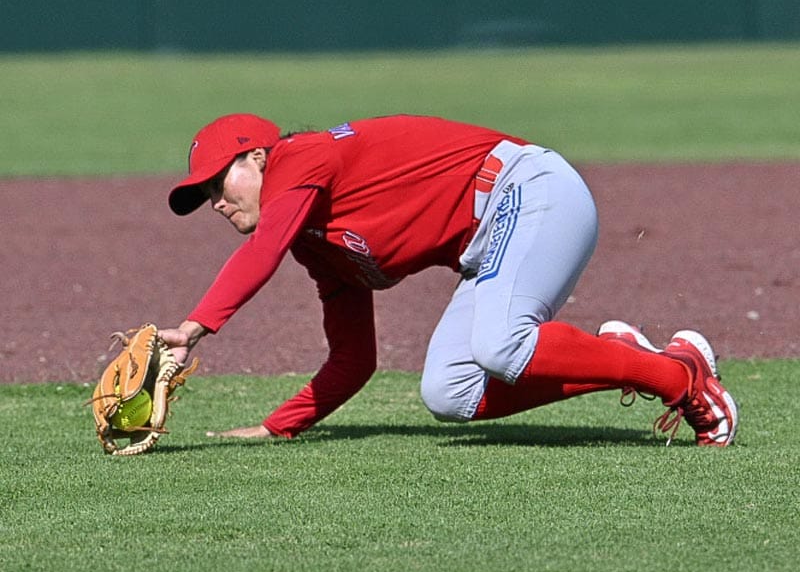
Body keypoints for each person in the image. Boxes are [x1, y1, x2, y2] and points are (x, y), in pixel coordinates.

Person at [159, 113, 738, 446]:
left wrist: (195, 328)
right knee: (450, 393)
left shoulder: (301, 157)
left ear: (259, 157)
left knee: (501, 343)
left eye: (218, 184)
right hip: (491, 244)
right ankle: (617, 356)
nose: (214, 202)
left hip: (530, 190)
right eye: (205, 195)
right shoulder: (317, 243)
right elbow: (354, 360)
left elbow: (261, 253)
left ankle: (684, 381)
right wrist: (276, 427)